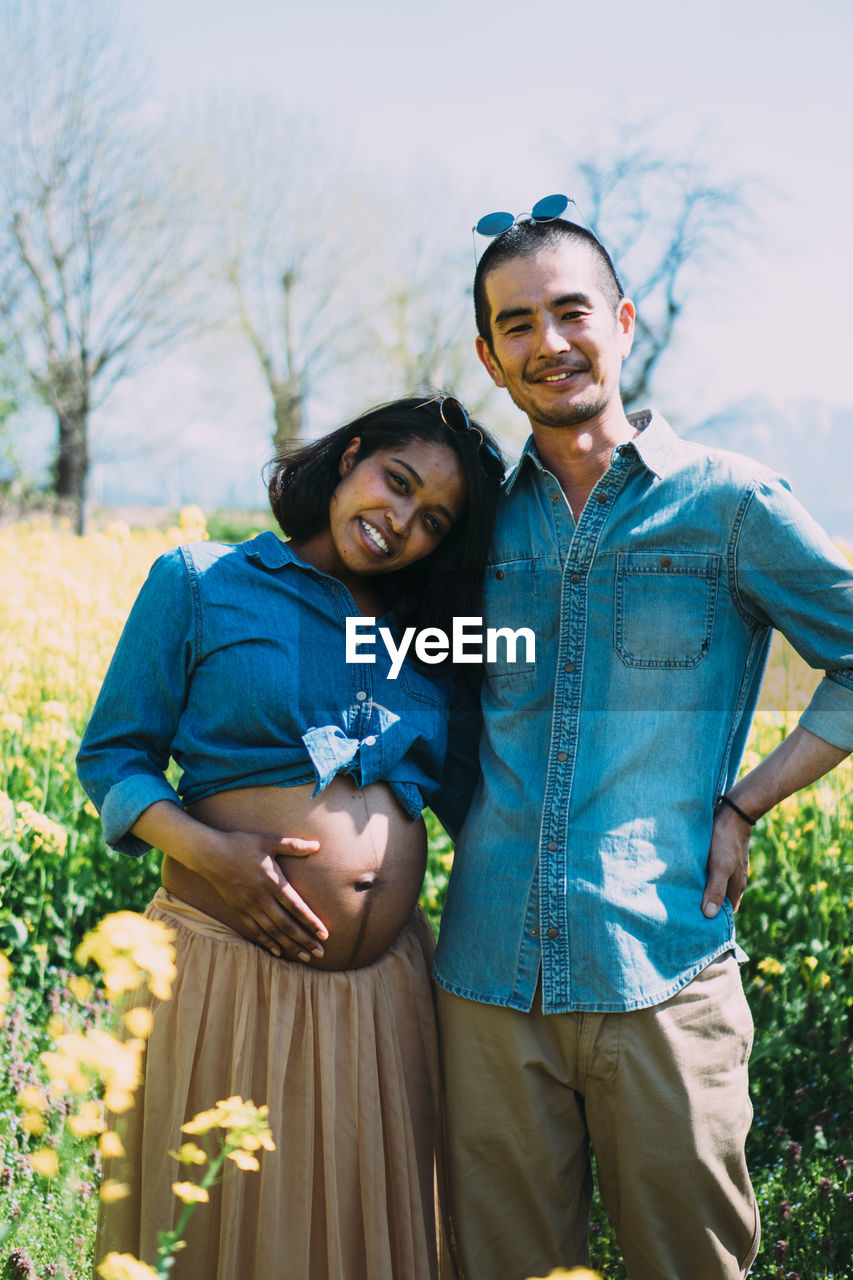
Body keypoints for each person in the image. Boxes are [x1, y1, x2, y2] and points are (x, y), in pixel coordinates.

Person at [432, 211, 853, 1280]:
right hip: (486, 985)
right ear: (489, 356)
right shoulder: (470, 520)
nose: (549, 342)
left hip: (663, 966)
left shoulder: (728, 503)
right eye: (515, 324)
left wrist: (744, 801)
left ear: (619, 323)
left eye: (571, 311)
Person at [76, 396, 504, 1280]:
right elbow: (114, 759)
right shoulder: (201, 581)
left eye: (433, 521)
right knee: (219, 1234)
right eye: (395, 482)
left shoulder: (431, 639)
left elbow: (478, 803)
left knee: (356, 1245)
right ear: (349, 458)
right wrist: (209, 854)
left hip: (381, 1003)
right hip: (222, 972)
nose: (399, 523)